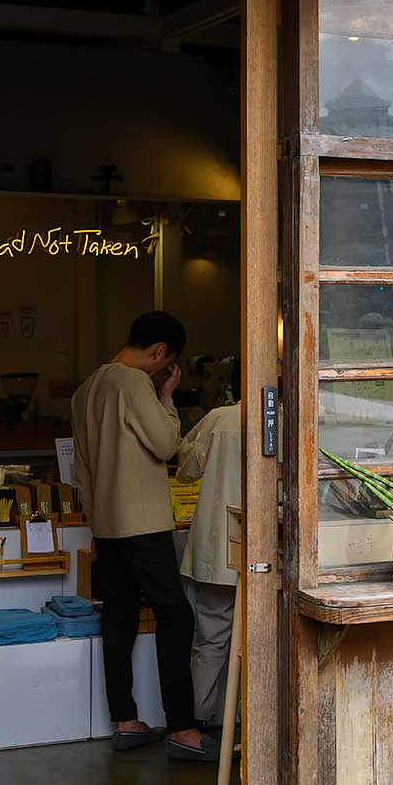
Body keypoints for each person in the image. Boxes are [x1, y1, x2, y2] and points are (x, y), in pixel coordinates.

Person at [72, 311, 218, 761]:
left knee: (119, 618)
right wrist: (168, 397)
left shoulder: (87, 389)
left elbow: (83, 470)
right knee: (176, 616)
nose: (163, 371)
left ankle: (125, 719)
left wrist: (96, 525)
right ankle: (183, 729)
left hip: (109, 527)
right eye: (166, 363)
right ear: (159, 352)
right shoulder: (134, 383)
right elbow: (165, 444)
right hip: (143, 523)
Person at [176, 361, 241, 728]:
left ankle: (201, 724)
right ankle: (251, 726)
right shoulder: (287, 419)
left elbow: (185, 467)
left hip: (216, 551)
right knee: (262, 643)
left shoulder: (219, 418)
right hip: (268, 553)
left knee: (211, 640)